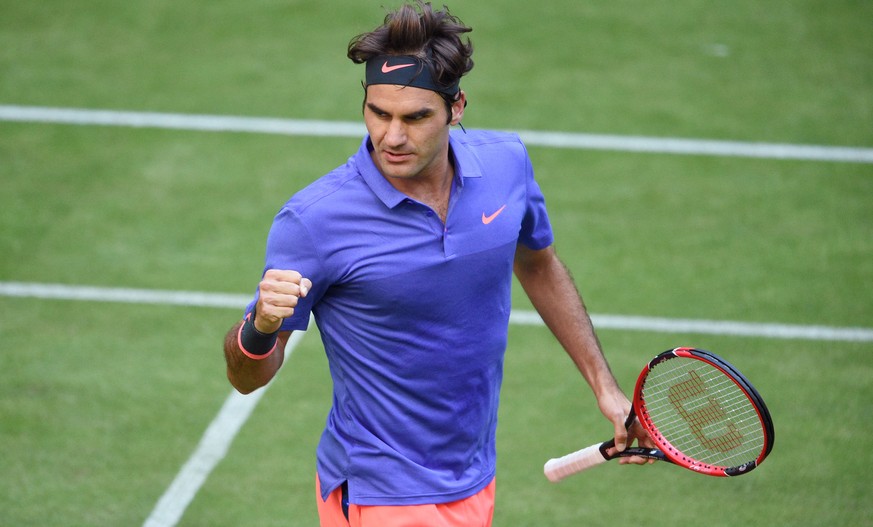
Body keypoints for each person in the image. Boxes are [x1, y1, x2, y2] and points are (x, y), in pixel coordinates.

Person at [223, 2, 653, 525]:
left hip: (472, 472)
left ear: (457, 107)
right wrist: (261, 326)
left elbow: (539, 266)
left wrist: (606, 389)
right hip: (380, 488)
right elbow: (247, 378)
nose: (392, 136)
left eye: (415, 117)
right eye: (378, 113)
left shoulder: (506, 165)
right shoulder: (315, 221)